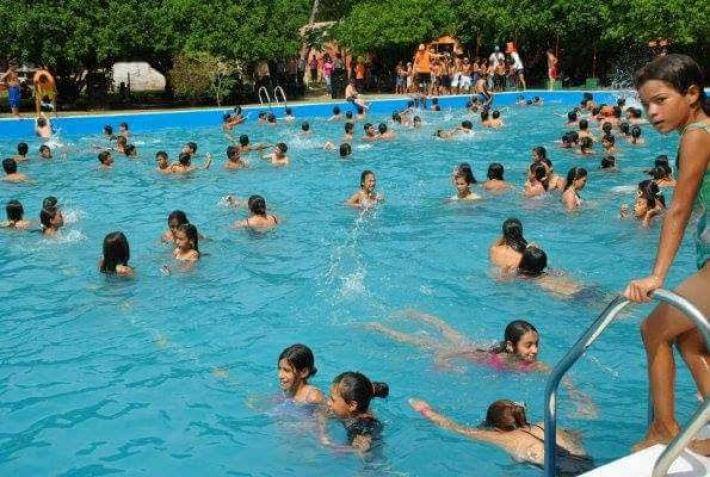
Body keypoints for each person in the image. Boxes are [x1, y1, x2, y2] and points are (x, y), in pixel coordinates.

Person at [623, 55, 710, 453]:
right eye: (645, 105)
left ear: (691, 94)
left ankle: (663, 427)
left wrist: (657, 276)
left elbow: (679, 208)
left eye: (660, 100)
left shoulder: (697, 134)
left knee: (653, 329)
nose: (652, 112)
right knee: (689, 338)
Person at [408, 399, 592, 474]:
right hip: (586, 463)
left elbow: (457, 429)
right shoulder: (545, 425)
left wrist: (426, 410)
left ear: (496, 428)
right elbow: (576, 435)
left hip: (559, 472)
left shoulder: (502, 437)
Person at [323, 372, 389, 452]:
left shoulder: (361, 427)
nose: (328, 402)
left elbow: (364, 451)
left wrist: (330, 445)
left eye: (333, 400)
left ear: (352, 405)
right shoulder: (356, 408)